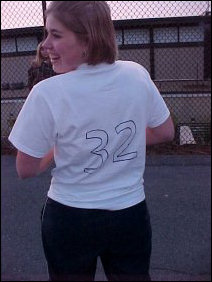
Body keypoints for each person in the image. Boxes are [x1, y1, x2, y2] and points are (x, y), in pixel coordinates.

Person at [8, 1, 175, 281]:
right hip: (130, 214)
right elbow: (164, 132)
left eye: (56, 35)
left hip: (70, 218)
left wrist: (61, 148)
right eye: (46, 34)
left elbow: (26, 168)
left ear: (87, 39)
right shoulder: (135, 75)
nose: (45, 44)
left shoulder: (48, 93)